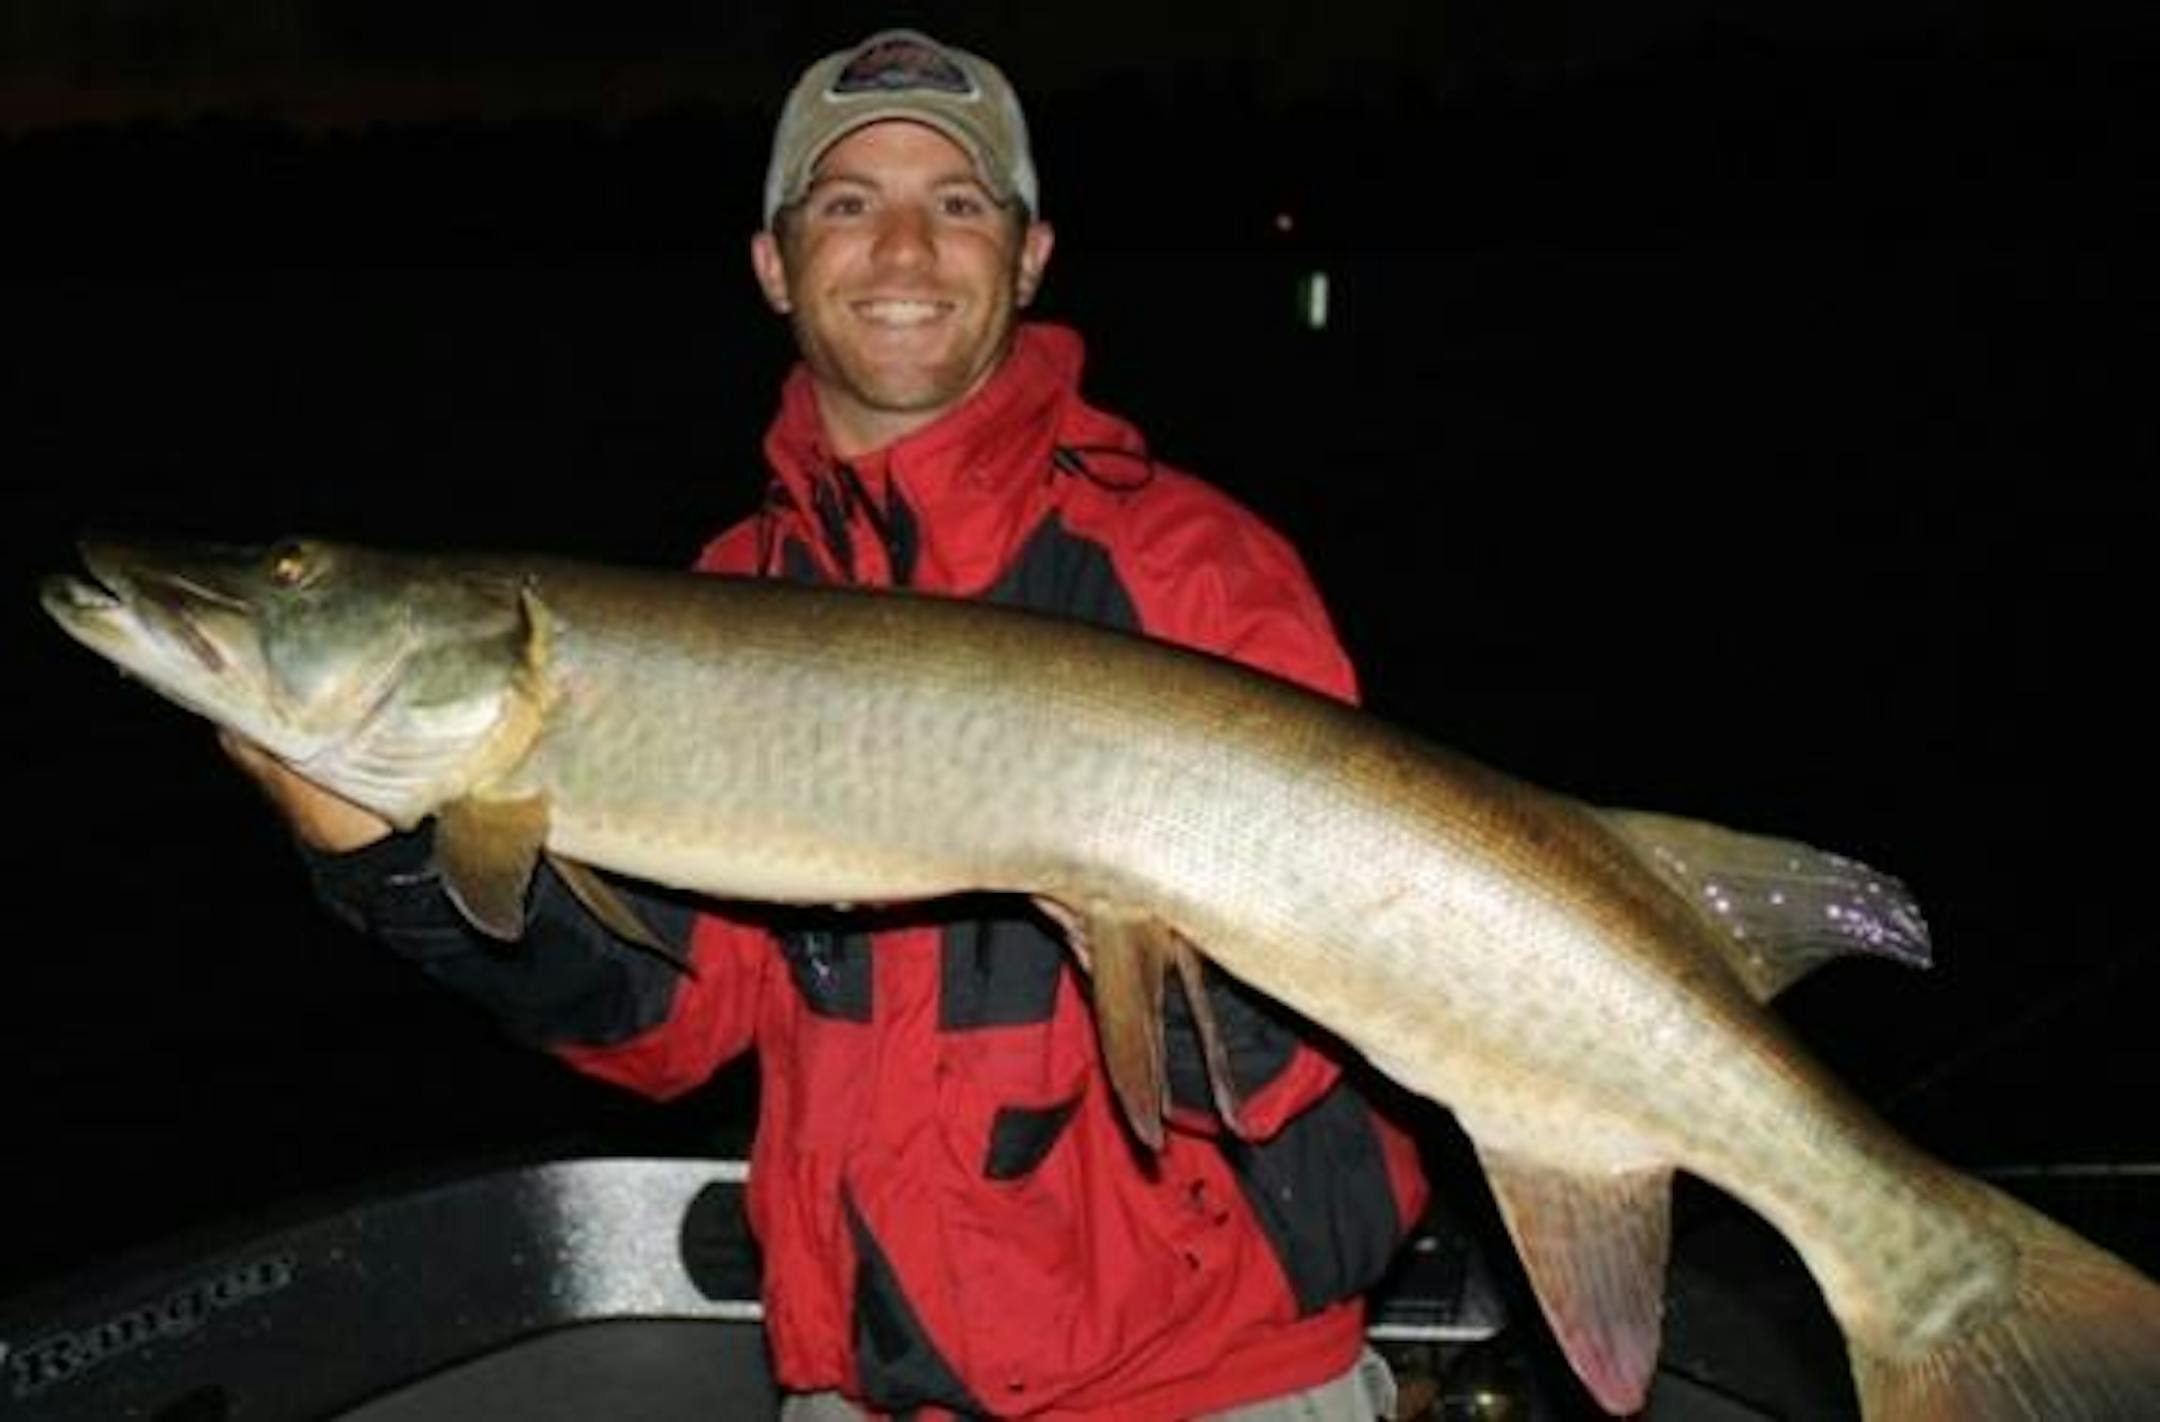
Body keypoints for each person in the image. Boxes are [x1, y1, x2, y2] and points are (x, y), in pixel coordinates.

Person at [227, 28, 1427, 1421]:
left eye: (958, 204)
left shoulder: (1194, 570)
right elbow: (671, 1023)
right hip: (861, 1390)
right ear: (774, 264)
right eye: (848, 205)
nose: (904, 251)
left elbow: (1332, 1028)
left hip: (1205, 1389)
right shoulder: (729, 594)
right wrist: (395, 868)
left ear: (1030, 260)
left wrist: (1152, 927)